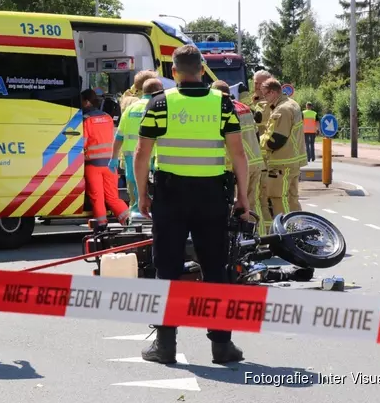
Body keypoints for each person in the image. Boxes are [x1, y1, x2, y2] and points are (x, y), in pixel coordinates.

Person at [135, 44, 249, 365]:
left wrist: (142, 194)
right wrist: (244, 197)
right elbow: (239, 154)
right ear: (202, 70)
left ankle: (166, 345)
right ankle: (222, 346)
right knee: (215, 268)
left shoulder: (160, 103)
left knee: (167, 268)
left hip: (171, 197)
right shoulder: (223, 104)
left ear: (173, 73)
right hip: (212, 196)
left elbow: (142, 154)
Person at [212, 80, 266, 234]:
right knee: (253, 204)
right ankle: (259, 239)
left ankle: (242, 242)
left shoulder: (223, 110)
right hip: (255, 161)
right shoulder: (245, 107)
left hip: (237, 166)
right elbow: (255, 133)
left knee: (238, 206)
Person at [111, 78, 163, 214]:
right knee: (154, 194)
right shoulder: (159, 107)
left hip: (131, 158)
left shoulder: (130, 109)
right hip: (155, 157)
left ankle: (134, 220)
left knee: (134, 194)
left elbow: (119, 136)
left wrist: (114, 157)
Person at [81, 89, 130, 229]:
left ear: (86, 102)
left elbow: (82, 143)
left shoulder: (86, 119)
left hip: (93, 165)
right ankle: (128, 220)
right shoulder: (108, 117)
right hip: (110, 163)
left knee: (97, 197)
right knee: (113, 197)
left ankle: (101, 225)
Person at [259, 78, 306, 216]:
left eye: (265, 94)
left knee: (278, 198)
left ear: (273, 92)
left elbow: (275, 139)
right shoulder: (292, 104)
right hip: (292, 161)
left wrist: (257, 143)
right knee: (292, 198)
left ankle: (285, 229)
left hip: (282, 163)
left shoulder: (282, 109)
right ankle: (297, 228)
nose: (264, 97)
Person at [251, 69, 274, 231]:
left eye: (261, 84)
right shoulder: (256, 102)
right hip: (260, 159)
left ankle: (267, 236)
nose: (257, 87)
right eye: (255, 83)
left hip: (268, 160)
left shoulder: (269, 105)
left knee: (263, 200)